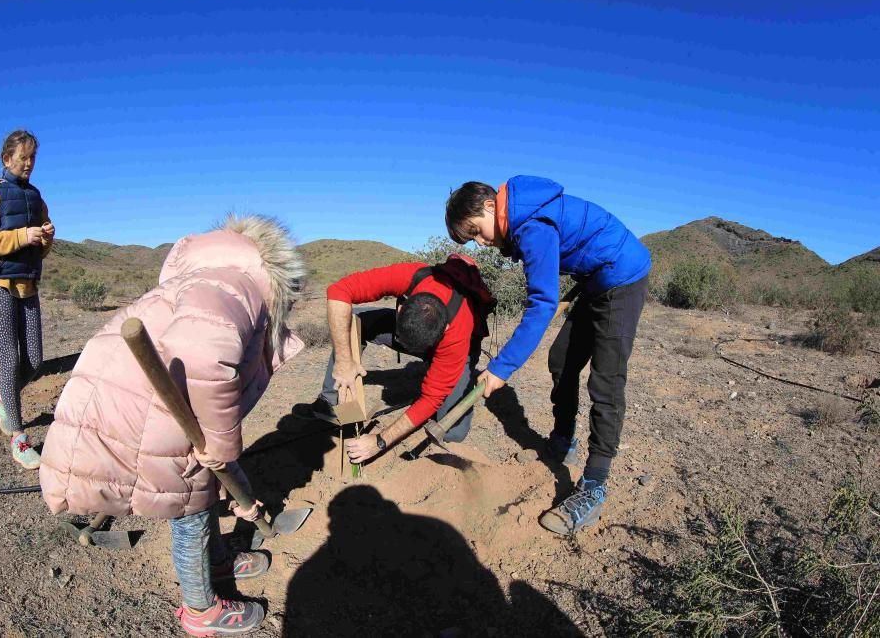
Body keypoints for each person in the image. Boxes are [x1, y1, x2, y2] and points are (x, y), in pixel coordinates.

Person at [39, 216, 305, 637]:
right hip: (137, 413)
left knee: (199, 492)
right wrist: (221, 450)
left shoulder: (219, 278)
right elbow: (202, 354)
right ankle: (200, 609)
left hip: (153, 406)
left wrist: (234, 480)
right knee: (188, 509)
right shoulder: (235, 284)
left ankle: (216, 561)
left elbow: (210, 402)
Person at [445, 176, 651, 536]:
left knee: (605, 379)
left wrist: (501, 367)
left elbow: (542, 303)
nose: (481, 242)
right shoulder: (526, 217)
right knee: (562, 360)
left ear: (491, 206)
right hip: (595, 279)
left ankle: (594, 485)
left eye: (477, 231)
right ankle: (563, 439)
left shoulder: (532, 226)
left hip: (622, 278)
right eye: (473, 239)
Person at [298, 254, 494, 464]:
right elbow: (338, 291)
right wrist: (344, 361)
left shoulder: (457, 330)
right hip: (417, 330)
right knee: (353, 320)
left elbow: (432, 397)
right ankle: (328, 401)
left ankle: (445, 373)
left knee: (453, 433)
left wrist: (380, 441)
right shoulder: (410, 275)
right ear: (401, 308)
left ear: (443, 330)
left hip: (457, 350)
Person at [0, 130, 55, 469]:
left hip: (28, 284)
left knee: (34, 360)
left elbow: (42, 245)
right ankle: (19, 438)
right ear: (7, 159)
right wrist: (23, 235)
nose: (29, 163)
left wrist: (46, 237)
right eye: (23, 158)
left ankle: (1, 395)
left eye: (33, 158)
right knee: (8, 356)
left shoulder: (36, 197)